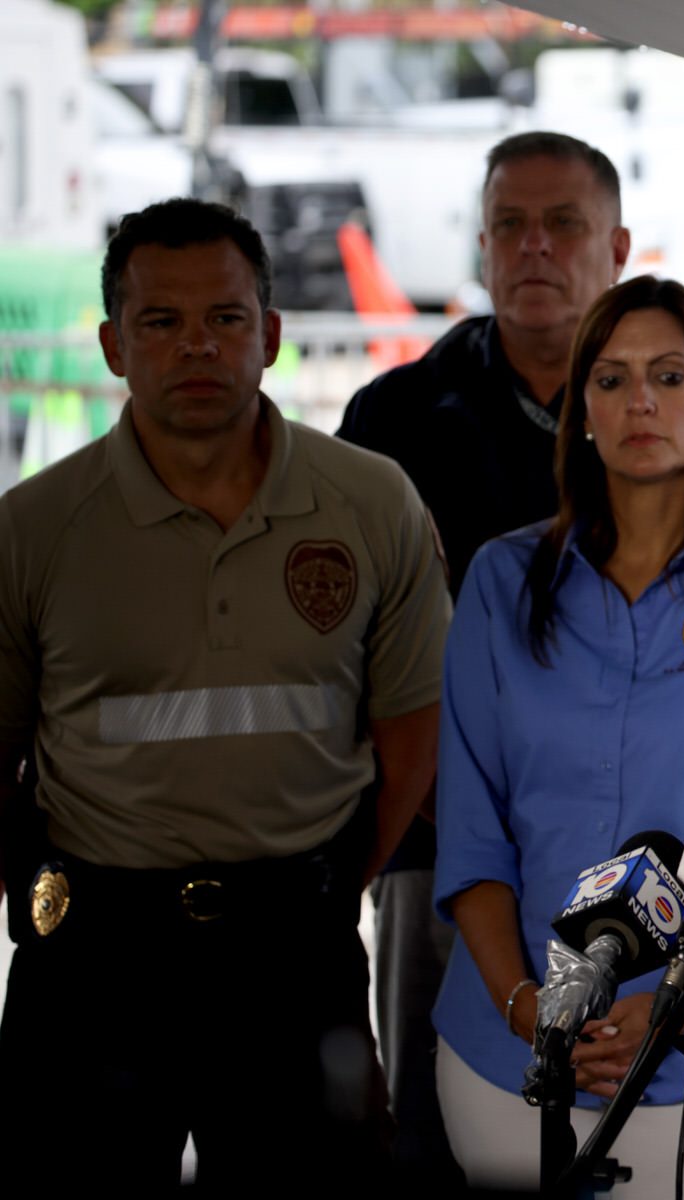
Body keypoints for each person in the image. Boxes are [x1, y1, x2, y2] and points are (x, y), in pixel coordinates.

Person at [336, 130, 684, 1179]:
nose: (534, 248)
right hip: (452, 857)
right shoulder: (401, 418)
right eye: (510, 224)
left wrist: (670, 999)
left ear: (618, 244)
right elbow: (359, 652)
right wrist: (516, 990)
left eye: (563, 224)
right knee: (427, 1133)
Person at [0, 199, 450, 1188]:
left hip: (295, 951)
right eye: (161, 322)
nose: (196, 345)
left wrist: (328, 887)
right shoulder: (34, 529)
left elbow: (411, 734)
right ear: (114, 345)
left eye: (226, 318)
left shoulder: (370, 505)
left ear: (272, 336)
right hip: (93, 963)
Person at [432, 275, 684, 1192]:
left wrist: (666, 1003)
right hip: (506, 1061)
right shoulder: (501, 582)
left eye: (668, 375)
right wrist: (527, 1007)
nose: (640, 401)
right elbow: (470, 833)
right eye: (610, 381)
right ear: (579, 410)